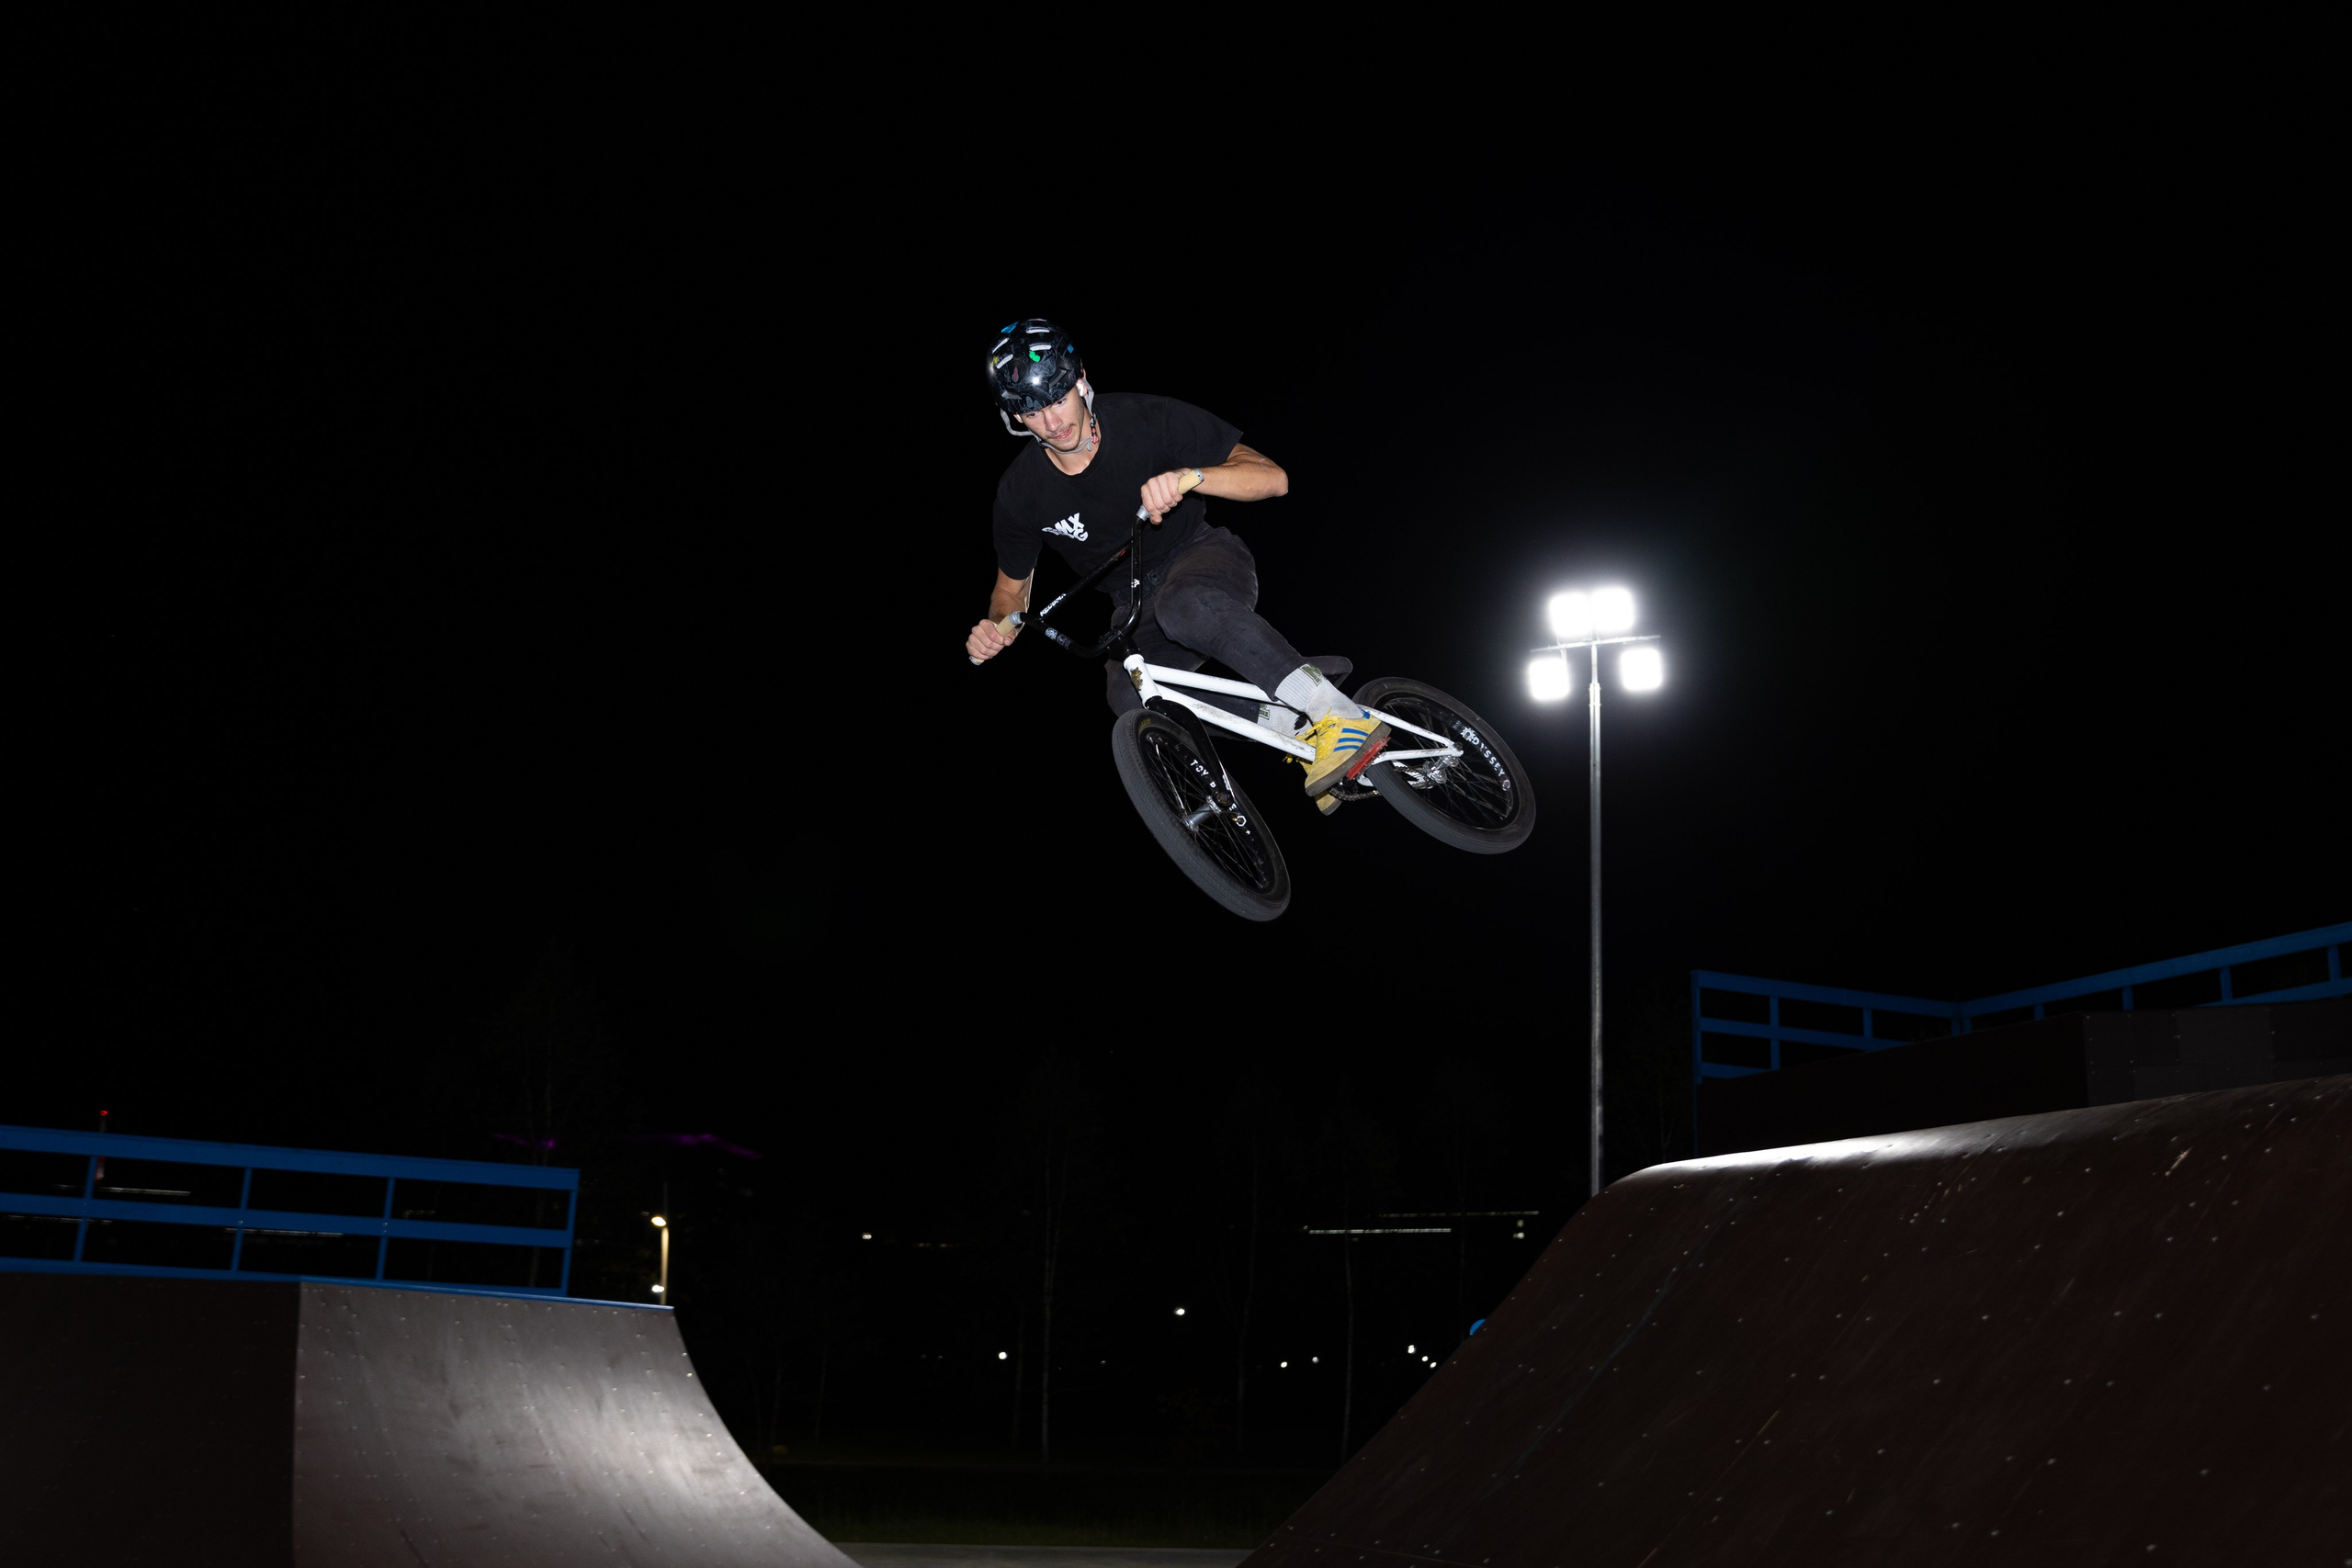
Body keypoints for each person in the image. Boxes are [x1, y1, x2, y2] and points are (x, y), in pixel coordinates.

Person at [966, 318, 1388, 803]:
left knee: (1182, 605)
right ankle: (1289, 722)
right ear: (1015, 417)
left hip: (1203, 556)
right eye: (1034, 411)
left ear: (1080, 380)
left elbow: (1273, 478)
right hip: (1132, 600)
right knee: (1129, 694)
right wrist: (997, 625)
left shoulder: (1144, 419)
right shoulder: (1019, 495)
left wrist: (1191, 477)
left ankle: (1337, 713)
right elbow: (1011, 591)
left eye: (1059, 398)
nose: (1054, 422)